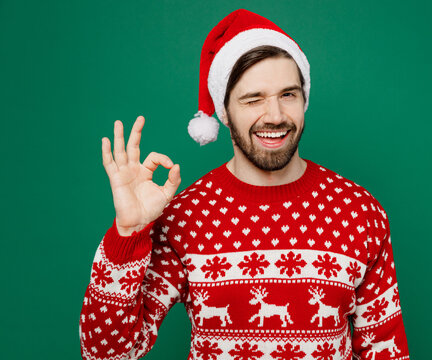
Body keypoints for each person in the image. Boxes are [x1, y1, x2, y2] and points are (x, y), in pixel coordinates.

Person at [79, 9, 410, 360]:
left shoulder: (360, 212)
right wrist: (127, 235)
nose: (276, 116)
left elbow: (386, 352)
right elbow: (107, 354)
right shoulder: (185, 216)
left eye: (288, 94)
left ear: (304, 98)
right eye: (253, 99)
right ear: (224, 110)